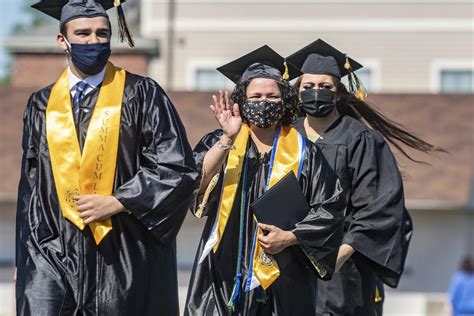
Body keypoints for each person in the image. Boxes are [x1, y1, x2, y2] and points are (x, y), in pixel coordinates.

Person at [15, 0, 198, 314]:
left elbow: (177, 166)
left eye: (102, 33)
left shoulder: (142, 94)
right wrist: (25, 258)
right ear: (63, 41)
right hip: (52, 253)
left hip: (120, 252)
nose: (93, 41)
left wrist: (120, 200)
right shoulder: (41, 104)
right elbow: (31, 189)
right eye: (82, 33)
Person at [184, 45, 345, 315]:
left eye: (272, 96)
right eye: (256, 96)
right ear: (242, 100)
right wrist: (227, 138)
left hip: (284, 277)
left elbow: (331, 209)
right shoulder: (221, 141)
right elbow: (195, 183)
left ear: (285, 101)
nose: (264, 102)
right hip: (223, 273)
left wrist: (291, 236)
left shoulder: (305, 153)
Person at [287, 39, 443, 316]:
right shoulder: (285, 137)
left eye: (326, 87)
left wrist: (337, 258)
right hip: (287, 259)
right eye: (308, 87)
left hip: (341, 267)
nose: (316, 93)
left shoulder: (360, 139)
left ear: (338, 94)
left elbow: (379, 209)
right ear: (297, 92)